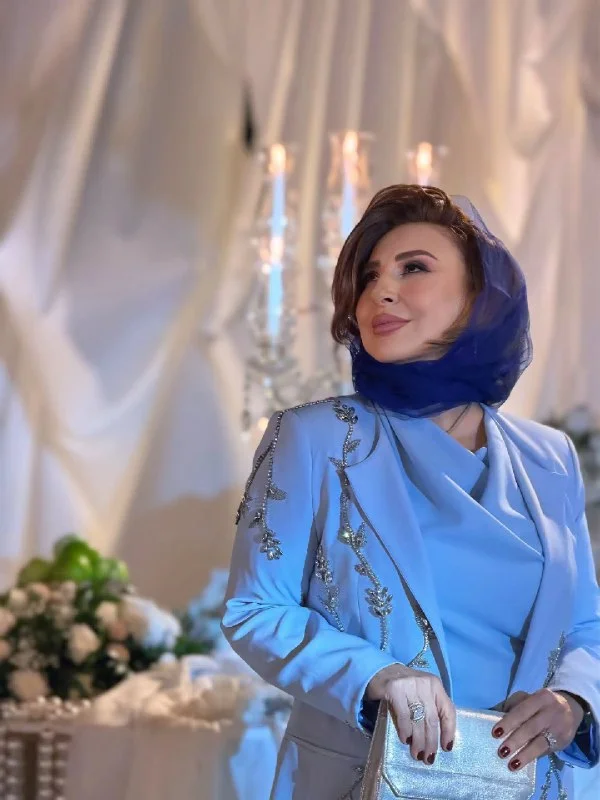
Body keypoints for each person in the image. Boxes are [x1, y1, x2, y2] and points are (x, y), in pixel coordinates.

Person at [221, 185, 600, 800]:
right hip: (363, 779)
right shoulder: (312, 437)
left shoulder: (549, 457)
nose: (381, 292)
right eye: (370, 277)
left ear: (480, 295)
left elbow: (585, 623)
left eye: (413, 268)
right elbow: (255, 608)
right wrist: (374, 676)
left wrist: (575, 700)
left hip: (534, 783)